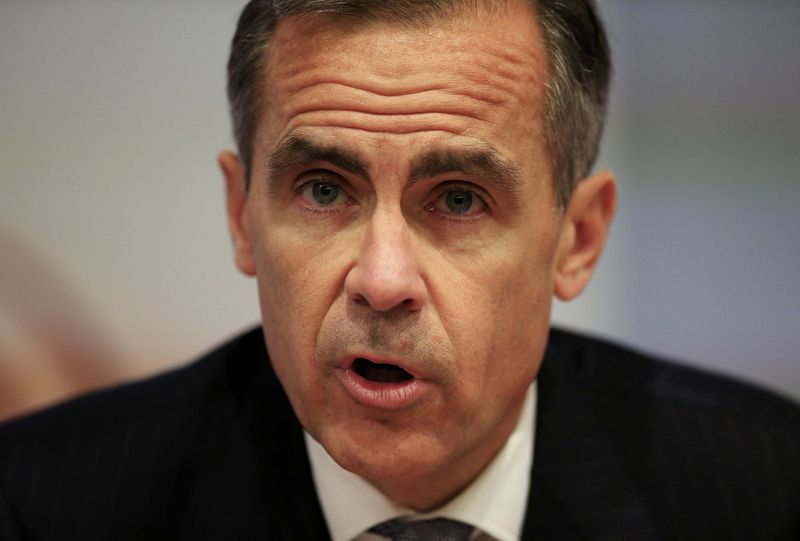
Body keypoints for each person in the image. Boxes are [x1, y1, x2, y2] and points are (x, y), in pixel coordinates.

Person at [1, 0, 798, 539]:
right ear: (242, 213)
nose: (381, 282)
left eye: (458, 198)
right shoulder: (41, 504)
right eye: (322, 189)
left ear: (577, 238)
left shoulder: (764, 489)